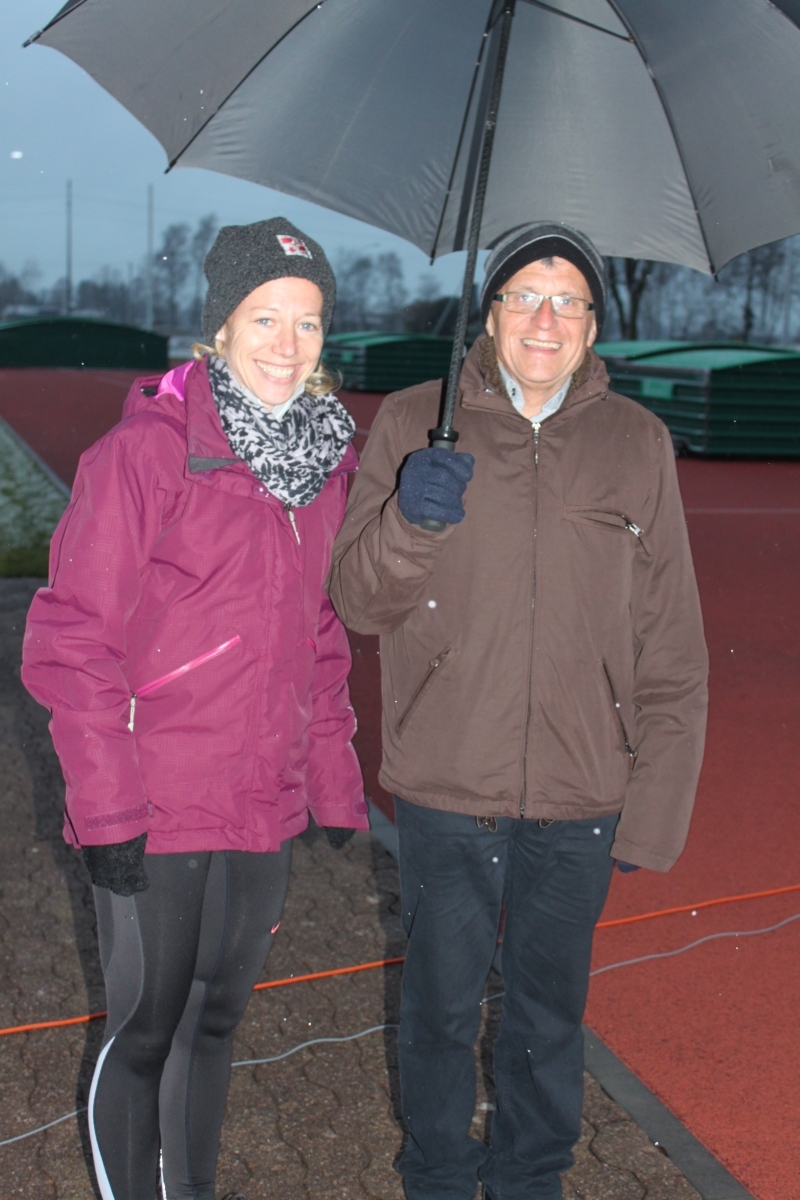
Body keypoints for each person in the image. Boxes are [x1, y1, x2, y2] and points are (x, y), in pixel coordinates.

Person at [328, 222, 709, 1200]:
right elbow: (357, 602)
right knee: (439, 1011)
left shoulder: (636, 443)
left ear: (592, 326)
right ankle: (437, 1176)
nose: (546, 318)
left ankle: (530, 1180)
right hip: (448, 779)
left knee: (548, 1018)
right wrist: (410, 519)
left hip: (583, 791)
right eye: (525, 296)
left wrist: (653, 807)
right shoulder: (414, 421)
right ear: (490, 314)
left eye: (568, 301)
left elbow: (671, 640)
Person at [22, 217, 368, 1200]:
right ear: (219, 326)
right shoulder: (146, 453)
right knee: (146, 1030)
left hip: (258, 799)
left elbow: (317, 632)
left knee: (215, 1024)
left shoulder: (323, 466)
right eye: (264, 318)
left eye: (307, 322)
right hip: (156, 801)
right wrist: (106, 812)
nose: (286, 344)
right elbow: (71, 641)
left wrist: (332, 778)